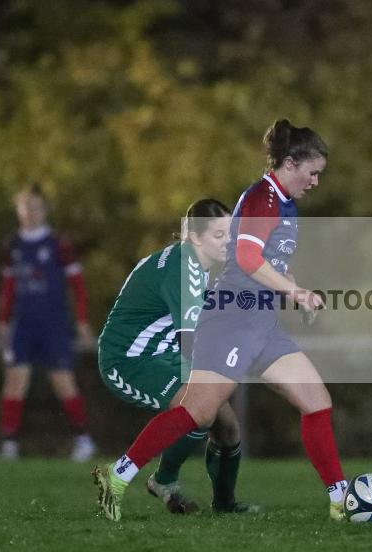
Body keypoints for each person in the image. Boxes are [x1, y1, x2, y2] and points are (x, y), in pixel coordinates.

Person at [93, 119, 348, 522]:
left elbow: (267, 259)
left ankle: (341, 502)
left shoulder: (283, 203)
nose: (316, 181)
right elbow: (245, 260)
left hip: (261, 323)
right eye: (312, 172)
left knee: (317, 402)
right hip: (233, 321)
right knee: (197, 412)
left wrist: (290, 284)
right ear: (290, 163)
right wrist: (293, 291)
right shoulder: (263, 198)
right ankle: (117, 475)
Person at [95, 198, 256, 515]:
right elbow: (191, 344)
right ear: (196, 237)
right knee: (201, 408)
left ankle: (222, 504)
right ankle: (119, 475)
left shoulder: (193, 263)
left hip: (161, 353)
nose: (229, 241)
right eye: (219, 235)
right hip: (128, 360)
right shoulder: (186, 270)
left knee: (228, 427)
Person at [0, 184, 96, 462]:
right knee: (15, 381)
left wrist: (82, 320)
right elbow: (8, 287)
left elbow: (78, 286)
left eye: (36, 207)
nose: (30, 213)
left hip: (53, 324)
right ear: (18, 210)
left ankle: (84, 440)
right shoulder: (12, 246)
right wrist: (3, 321)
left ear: (45, 211)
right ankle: (9, 445)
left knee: (63, 382)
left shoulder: (58, 244)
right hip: (22, 325)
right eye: (25, 207)